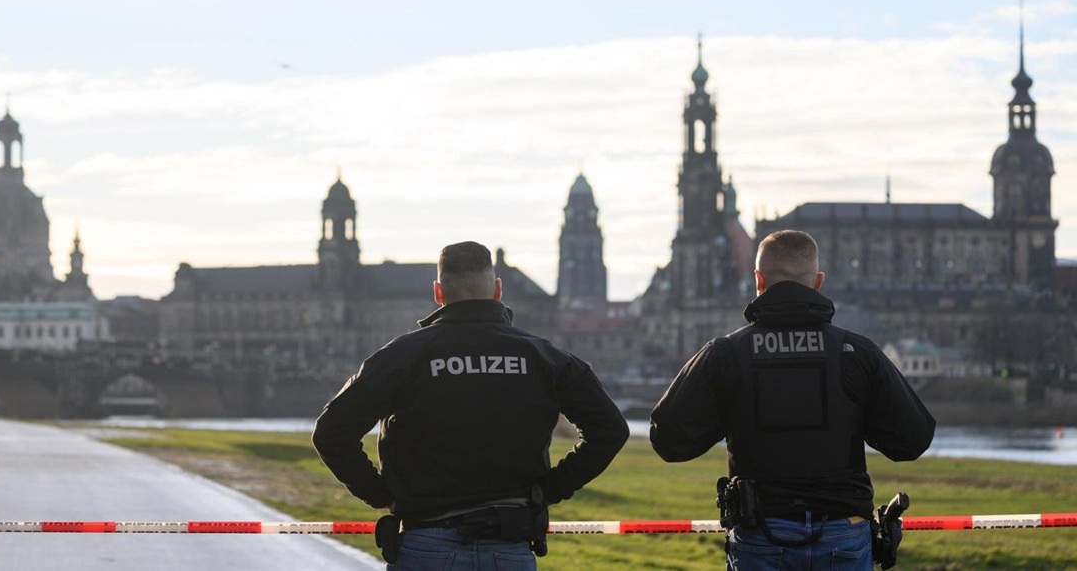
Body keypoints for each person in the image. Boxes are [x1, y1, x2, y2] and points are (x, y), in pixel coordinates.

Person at [314, 240, 629, 570]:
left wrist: (380, 494)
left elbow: (331, 432)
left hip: (426, 540)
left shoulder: (400, 356)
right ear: (497, 290)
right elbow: (610, 429)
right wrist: (548, 490)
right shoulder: (544, 357)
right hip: (510, 543)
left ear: (438, 293)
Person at [650, 230, 935, 570]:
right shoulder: (856, 352)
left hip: (761, 533)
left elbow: (668, 440)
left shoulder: (726, 354)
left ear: (758, 280)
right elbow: (913, 439)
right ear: (818, 282)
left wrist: (726, 414)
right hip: (843, 530)